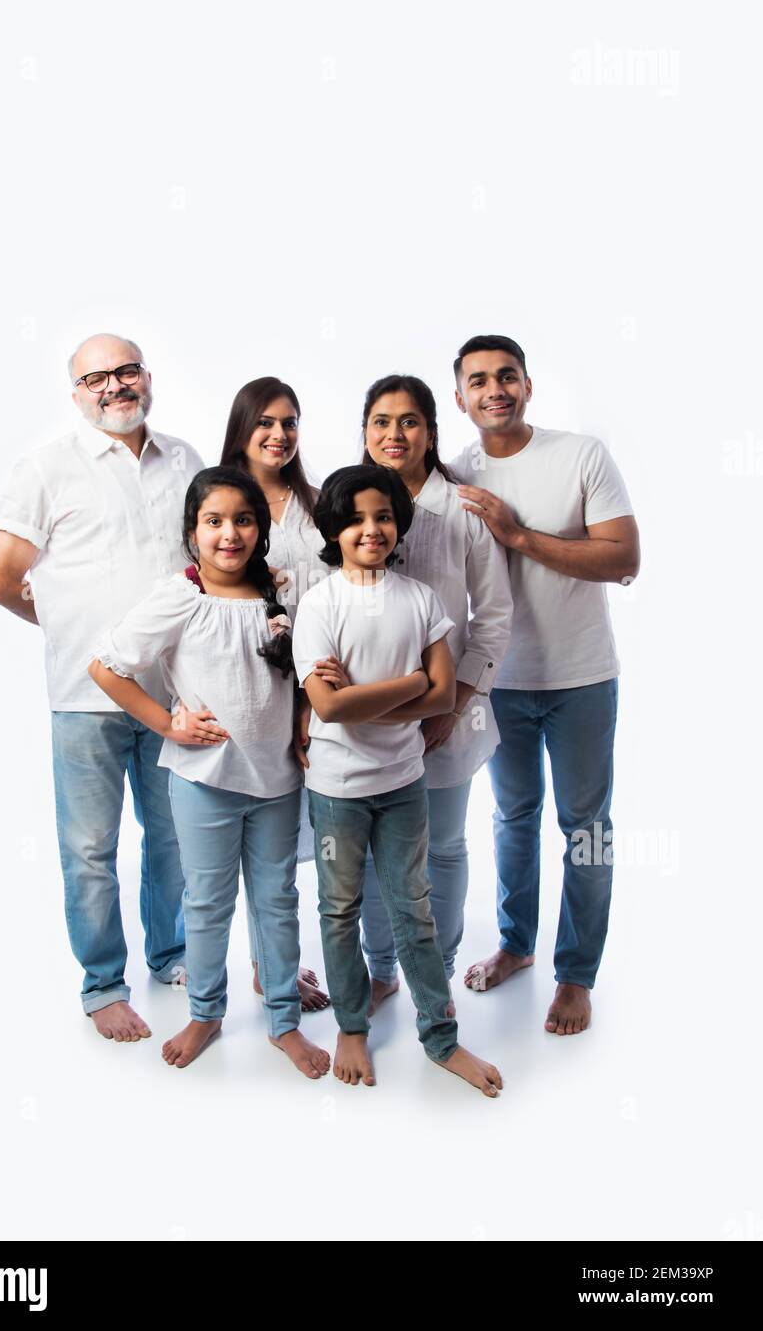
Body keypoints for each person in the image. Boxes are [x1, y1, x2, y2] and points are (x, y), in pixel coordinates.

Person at [0, 333, 203, 1042]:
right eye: (96, 377)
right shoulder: (46, 467)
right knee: (88, 849)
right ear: (76, 392)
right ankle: (103, 983)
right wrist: (77, 630)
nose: (114, 386)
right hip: (85, 699)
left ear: (147, 377)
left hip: (173, 694)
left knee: (172, 839)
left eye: (126, 371)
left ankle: (170, 955)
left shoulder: (187, 461)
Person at [88, 467, 331, 1079]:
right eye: (214, 521)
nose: (230, 534)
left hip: (276, 782)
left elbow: (292, 678)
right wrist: (167, 725)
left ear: (261, 528)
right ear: (192, 532)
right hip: (204, 782)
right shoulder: (181, 596)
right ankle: (205, 1012)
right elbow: (106, 666)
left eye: (244, 520)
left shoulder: (278, 593)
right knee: (208, 904)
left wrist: (302, 722)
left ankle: (282, 1020)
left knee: (276, 901)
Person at [292, 464, 504, 1096]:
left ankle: (440, 1038)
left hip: (404, 782)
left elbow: (443, 699)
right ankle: (351, 1026)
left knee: (414, 909)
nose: (371, 529)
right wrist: (411, 683)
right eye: (355, 518)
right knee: (339, 909)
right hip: (337, 791)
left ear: (399, 523)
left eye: (383, 516)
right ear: (334, 527)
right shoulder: (319, 604)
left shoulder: (420, 599)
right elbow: (327, 709)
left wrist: (376, 693)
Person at [451, 334, 640, 1035]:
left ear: (527, 386)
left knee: (587, 829)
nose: (493, 390)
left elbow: (623, 558)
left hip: (581, 677)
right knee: (511, 819)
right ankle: (514, 944)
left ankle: (576, 974)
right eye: (478, 381)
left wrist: (519, 535)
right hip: (499, 681)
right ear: (461, 398)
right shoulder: (456, 472)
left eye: (506, 377)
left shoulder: (578, 455)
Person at [357, 375, 513, 1012]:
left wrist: (456, 703)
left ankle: (439, 971)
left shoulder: (464, 511)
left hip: (447, 716)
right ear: (365, 432)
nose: (395, 435)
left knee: (442, 847)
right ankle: (380, 969)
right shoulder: (349, 502)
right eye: (382, 422)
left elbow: (495, 617)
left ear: (431, 430)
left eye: (410, 421)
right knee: (369, 852)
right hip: (365, 717)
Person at [218, 377, 332, 1010]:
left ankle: (282, 961)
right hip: (252, 686)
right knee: (264, 838)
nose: (279, 434)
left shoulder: (315, 504)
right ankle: (267, 968)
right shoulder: (224, 500)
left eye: (290, 422)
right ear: (242, 427)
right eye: (265, 421)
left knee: (307, 830)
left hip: (319, 685)